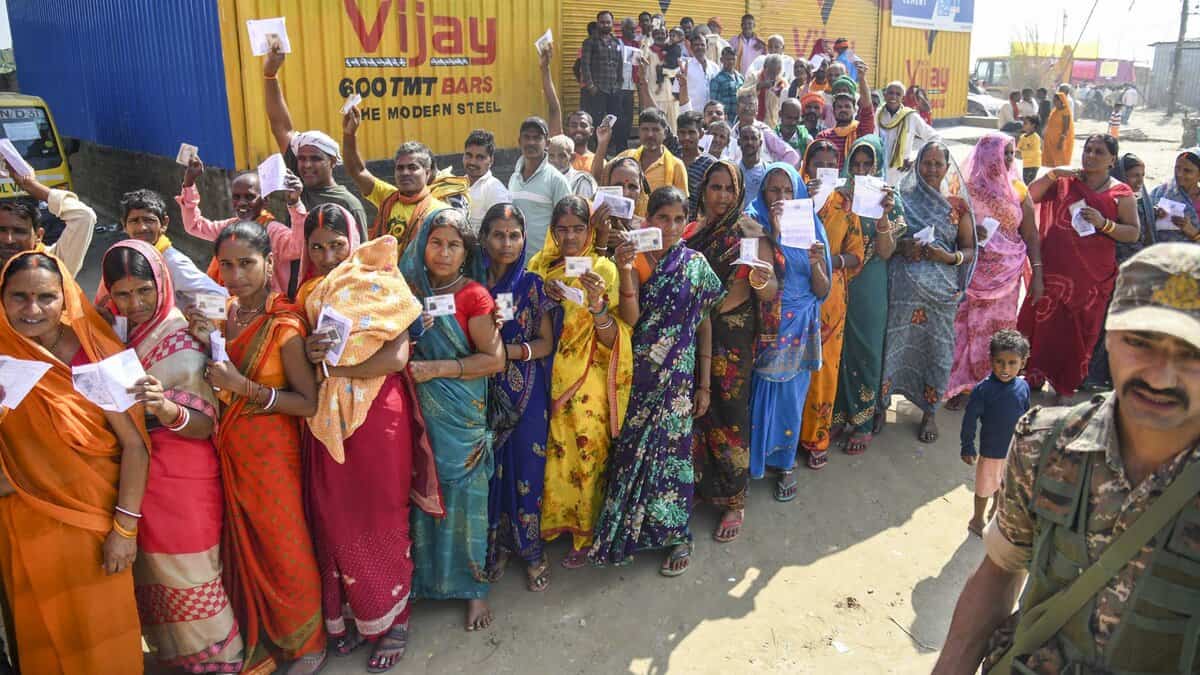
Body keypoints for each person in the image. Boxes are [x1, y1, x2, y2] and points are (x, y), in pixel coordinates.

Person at [934, 244, 1200, 675]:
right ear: (1108, 340)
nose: (1160, 374)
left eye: (1189, 353)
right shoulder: (1046, 444)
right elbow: (1000, 569)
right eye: (1140, 343)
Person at [295, 205, 439, 672]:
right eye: (316, 246)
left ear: (354, 239)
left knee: (380, 513)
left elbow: (395, 357)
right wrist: (312, 352)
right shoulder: (308, 294)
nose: (326, 254)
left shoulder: (387, 282)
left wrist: (337, 368)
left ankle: (394, 619)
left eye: (336, 244)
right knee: (335, 513)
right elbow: (298, 359)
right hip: (326, 415)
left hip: (378, 415)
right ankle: (355, 614)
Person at [96, 239, 244, 672]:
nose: (135, 303)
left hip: (184, 475)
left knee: (193, 572)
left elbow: (205, 425)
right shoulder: (120, 333)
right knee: (155, 573)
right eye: (122, 294)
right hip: (139, 475)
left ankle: (223, 661)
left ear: (162, 283)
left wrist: (164, 408)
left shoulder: (184, 338)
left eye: (143, 291)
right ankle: (180, 657)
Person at [187, 221, 326, 675]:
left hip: (272, 454)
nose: (235, 274)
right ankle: (262, 632)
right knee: (244, 544)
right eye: (226, 265)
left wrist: (245, 387)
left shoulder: (285, 325)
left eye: (246, 263)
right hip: (228, 447)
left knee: (285, 544)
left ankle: (308, 643)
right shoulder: (223, 313)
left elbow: (307, 403)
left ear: (269, 263)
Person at [0, 251, 149, 673]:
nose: (32, 310)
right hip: (24, 524)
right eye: (19, 297)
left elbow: (135, 446)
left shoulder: (97, 352)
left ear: (66, 298)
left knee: (105, 636)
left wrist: (125, 528)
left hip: (94, 527)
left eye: (46, 297)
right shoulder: (2, 354)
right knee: (41, 633)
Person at [589, 185, 724, 576]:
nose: (670, 226)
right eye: (663, 218)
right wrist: (627, 269)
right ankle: (626, 532)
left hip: (679, 381)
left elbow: (704, 322)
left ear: (687, 221)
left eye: (679, 219)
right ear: (648, 220)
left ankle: (676, 533)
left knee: (673, 457)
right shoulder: (633, 259)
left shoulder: (696, 264)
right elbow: (629, 321)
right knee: (631, 452)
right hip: (638, 375)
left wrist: (704, 384)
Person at [399, 208, 505, 631]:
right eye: (436, 242)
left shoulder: (474, 296)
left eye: (454, 245)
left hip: (460, 420)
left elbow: (493, 360)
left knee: (464, 501)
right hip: (418, 412)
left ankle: (472, 588)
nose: (443, 252)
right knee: (420, 494)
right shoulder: (406, 293)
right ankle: (425, 581)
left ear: (466, 252)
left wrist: (437, 369)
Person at [528, 196, 632, 570]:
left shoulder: (603, 269)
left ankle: (585, 531)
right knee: (553, 454)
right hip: (544, 377)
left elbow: (613, 336)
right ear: (553, 232)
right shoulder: (539, 267)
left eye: (577, 228)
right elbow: (523, 315)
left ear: (590, 230)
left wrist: (597, 303)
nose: (570, 237)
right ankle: (554, 523)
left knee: (586, 450)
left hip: (587, 377)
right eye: (562, 229)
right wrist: (545, 297)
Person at [687, 160, 776, 542]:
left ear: (739, 192)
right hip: (691, 336)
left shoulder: (750, 233)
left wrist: (762, 280)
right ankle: (699, 490)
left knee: (729, 416)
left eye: (728, 188)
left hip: (731, 341)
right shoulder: (690, 231)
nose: (722, 196)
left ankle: (734, 499)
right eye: (715, 187)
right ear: (703, 190)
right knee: (694, 415)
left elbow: (769, 291)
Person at [1017, 135, 1141, 401]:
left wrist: (1104, 223)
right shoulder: (1066, 181)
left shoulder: (1121, 193)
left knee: (1079, 333)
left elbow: (1132, 233)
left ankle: (1065, 384)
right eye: (1088, 149)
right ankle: (1035, 376)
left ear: (1112, 160)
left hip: (1092, 279)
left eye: (1099, 152)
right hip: (1053, 271)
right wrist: (1052, 174)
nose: (1091, 155)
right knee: (1044, 325)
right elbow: (1029, 196)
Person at [479, 204, 556, 593]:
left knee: (527, 469)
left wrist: (508, 353)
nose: (506, 243)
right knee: (491, 473)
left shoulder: (532, 285)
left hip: (527, 393)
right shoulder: (470, 286)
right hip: (482, 391)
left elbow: (546, 343)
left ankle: (531, 550)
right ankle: (498, 547)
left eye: (514, 235)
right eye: (498, 234)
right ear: (483, 238)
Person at [882, 142, 977, 444]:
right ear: (917, 164)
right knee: (894, 347)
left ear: (948, 168)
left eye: (938, 164)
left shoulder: (957, 206)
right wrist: (902, 246)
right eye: (927, 163)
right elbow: (884, 243)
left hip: (940, 297)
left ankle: (929, 413)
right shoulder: (901, 199)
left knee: (938, 353)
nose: (932, 170)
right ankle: (881, 407)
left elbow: (970, 249)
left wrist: (948, 258)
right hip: (902, 294)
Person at [747, 163, 831, 499]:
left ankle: (785, 463)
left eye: (786, 190)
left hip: (802, 324)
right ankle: (755, 461)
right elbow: (765, 280)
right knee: (762, 390)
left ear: (796, 191)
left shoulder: (811, 225)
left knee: (792, 398)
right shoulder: (753, 222)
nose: (780, 197)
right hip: (769, 322)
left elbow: (822, 290)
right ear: (763, 193)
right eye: (773, 190)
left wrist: (814, 263)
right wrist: (776, 233)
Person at [945, 133, 1043, 411]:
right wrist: (968, 231)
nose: (1009, 159)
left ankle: (991, 386)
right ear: (987, 154)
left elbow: (1031, 234)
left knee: (996, 331)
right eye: (1004, 153)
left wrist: (1037, 273)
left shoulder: (1019, 191)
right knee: (964, 329)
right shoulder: (966, 189)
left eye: (1012, 153)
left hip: (1007, 274)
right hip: (971, 271)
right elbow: (948, 226)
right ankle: (961, 385)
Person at [797, 138, 871, 470]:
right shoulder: (792, 196)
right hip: (792, 296)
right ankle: (785, 438)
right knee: (789, 365)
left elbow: (858, 254)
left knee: (823, 369)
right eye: (817, 163)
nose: (823, 170)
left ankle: (816, 438)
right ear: (807, 164)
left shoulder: (844, 204)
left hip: (830, 297)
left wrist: (828, 260)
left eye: (830, 165)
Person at [831, 136, 907, 455]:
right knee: (837, 345)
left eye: (867, 164)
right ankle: (836, 414)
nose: (861, 170)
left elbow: (887, 252)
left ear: (877, 165)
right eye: (856, 164)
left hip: (870, 282)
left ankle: (862, 420)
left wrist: (883, 214)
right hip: (839, 279)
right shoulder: (837, 194)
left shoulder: (890, 198)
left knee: (866, 347)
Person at [262, 44, 368, 252]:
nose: (306, 165)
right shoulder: (299, 183)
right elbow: (280, 126)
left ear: (332, 162)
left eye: (316, 159)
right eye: (301, 159)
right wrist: (269, 75)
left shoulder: (348, 205)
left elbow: (361, 257)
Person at [176, 156, 307, 293]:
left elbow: (298, 248)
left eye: (249, 197)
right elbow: (194, 225)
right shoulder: (230, 227)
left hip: (265, 306)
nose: (242, 203)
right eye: (236, 197)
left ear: (265, 201)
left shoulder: (273, 231)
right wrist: (189, 183)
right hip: (230, 302)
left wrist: (294, 203)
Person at [342, 109, 448, 253]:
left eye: (412, 168)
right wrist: (349, 134)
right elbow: (357, 171)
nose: (405, 173)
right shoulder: (388, 196)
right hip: (382, 274)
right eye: (400, 168)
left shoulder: (438, 211)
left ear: (427, 173)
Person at [959, 329, 1030, 538]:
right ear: (991, 360)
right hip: (990, 453)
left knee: (1004, 487)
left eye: (1012, 363)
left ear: (1023, 362)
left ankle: (994, 513)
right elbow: (969, 420)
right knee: (983, 488)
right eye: (1000, 362)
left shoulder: (1023, 386)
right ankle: (977, 519)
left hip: (1012, 451)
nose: (1005, 368)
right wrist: (967, 446)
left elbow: (1026, 415)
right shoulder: (983, 390)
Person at [120, 189, 228, 304]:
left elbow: (220, 300)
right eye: (134, 221)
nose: (142, 227)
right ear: (124, 225)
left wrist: (190, 313)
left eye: (149, 220)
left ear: (164, 223)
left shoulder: (173, 263)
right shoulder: (125, 257)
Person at [0, 165, 95, 275]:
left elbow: (84, 216)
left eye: (19, 232)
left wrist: (32, 187)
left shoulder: (54, 264)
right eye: (1, 230)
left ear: (39, 236)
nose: (9, 240)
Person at [509, 116, 572, 258]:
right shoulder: (514, 178)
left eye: (537, 138)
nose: (531, 142)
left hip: (545, 264)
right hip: (517, 263)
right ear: (520, 141)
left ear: (547, 143)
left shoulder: (556, 180)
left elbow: (568, 224)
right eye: (527, 137)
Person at [595, 107, 689, 197]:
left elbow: (682, 204)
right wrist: (602, 143)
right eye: (645, 129)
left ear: (665, 133)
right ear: (639, 131)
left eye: (655, 130)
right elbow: (597, 178)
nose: (650, 135)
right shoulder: (626, 157)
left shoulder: (676, 166)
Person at [540, 43, 596, 172]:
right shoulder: (558, 147)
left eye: (583, 125)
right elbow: (554, 108)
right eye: (573, 125)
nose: (578, 129)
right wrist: (545, 68)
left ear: (592, 130)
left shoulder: (599, 161)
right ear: (566, 129)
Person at [877, 80, 941, 184]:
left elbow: (935, 137)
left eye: (898, 94)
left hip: (900, 174)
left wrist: (917, 160)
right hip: (878, 172)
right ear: (885, 95)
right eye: (891, 93)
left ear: (902, 98)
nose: (894, 97)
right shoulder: (877, 114)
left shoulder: (910, 117)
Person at [815, 63, 876, 164]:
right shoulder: (824, 136)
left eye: (847, 107)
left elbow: (867, 108)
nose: (843, 109)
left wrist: (861, 78)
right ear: (833, 111)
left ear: (854, 109)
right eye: (839, 107)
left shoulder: (861, 131)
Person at [580, 11, 624, 146]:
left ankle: (610, 148)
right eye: (602, 22)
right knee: (596, 120)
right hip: (597, 89)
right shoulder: (590, 42)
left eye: (608, 22)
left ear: (612, 24)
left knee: (614, 120)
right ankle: (594, 149)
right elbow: (585, 65)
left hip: (613, 89)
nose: (605, 25)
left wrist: (619, 84)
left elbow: (620, 65)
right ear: (598, 23)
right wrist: (591, 86)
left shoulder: (617, 42)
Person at [726, 92, 801, 166]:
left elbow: (791, 155)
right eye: (744, 105)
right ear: (737, 110)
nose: (747, 108)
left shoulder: (764, 131)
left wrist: (777, 171)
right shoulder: (731, 134)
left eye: (751, 105)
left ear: (756, 111)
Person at [461, 129, 512, 234]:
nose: (472, 162)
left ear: (491, 160)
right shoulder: (458, 185)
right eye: (469, 155)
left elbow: (503, 231)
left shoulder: (495, 190)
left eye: (480, 157)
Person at [1148, 148, 1200, 245]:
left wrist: (1192, 231)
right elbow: (1142, 220)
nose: (1179, 174)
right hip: (1161, 255)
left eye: (1187, 171)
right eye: (1177, 168)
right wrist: (1154, 213)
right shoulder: (1161, 192)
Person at [677, 110, 716, 218]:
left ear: (701, 134)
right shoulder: (672, 158)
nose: (686, 137)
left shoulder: (710, 163)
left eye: (691, 133)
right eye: (682, 132)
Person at [738, 54, 788, 129]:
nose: (774, 77)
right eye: (771, 73)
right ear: (764, 68)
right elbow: (740, 94)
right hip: (752, 123)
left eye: (776, 73)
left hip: (772, 125)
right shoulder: (753, 77)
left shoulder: (782, 83)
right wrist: (758, 87)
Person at [549, 134, 599, 199]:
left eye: (562, 156)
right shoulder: (542, 178)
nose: (556, 160)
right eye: (551, 156)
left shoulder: (581, 181)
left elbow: (586, 207)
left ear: (572, 157)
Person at [736, 124, 770, 211]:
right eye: (745, 138)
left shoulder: (768, 171)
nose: (749, 142)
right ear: (739, 142)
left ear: (760, 143)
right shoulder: (733, 170)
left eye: (754, 138)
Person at [683, 32, 719, 111]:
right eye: (696, 45)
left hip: (711, 113)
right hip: (693, 113)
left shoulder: (715, 67)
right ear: (691, 47)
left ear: (707, 47)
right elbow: (676, 93)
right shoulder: (685, 67)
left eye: (702, 45)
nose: (699, 47)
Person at [1041, 91, 1075, 168]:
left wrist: (1061, 140)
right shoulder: (1055, 110)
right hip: (1050, 140)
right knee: (1050, 161)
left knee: (1059, 161)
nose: (1054, 102)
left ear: (1061, 100)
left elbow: (1066, 128)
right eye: (1054, 100)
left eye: (1056, 100)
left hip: (1059, 140)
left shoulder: (1065, 112)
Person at [710, 47, 744, 122]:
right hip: (725, 120)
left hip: (739, 119)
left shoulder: (740, 78)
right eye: (728, 59)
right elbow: (714, 103)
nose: (731, 62)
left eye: (733, 59)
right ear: (721, 60)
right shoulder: (717, 80)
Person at [1015, 116, 1042, 185]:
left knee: (1029, 183)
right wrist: (1016, 152)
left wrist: (1021, 154)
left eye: (1025, 123)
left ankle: (1029, 195)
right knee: (1025, 181)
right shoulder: (1022, 137)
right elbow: (1018, 149)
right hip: (1026, 164)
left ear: (1033, 125)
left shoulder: (1035, 138)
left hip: (1033, 164)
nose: (1023, 125)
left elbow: (1034, 152)